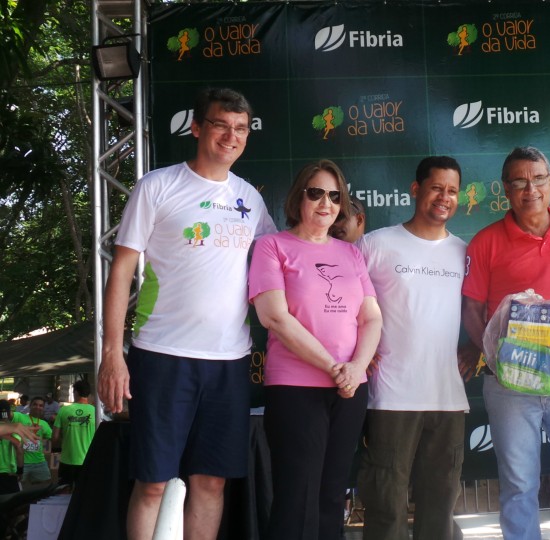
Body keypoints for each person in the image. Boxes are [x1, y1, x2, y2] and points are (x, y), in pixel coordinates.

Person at [98, 87, 277, 540]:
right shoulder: (156, 185)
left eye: (240, 128)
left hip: (229, 361)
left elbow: (279, 265)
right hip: (161, 355)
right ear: (197, 127)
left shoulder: (250, 200)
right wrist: (112, 354)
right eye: (220, 124)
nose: (231, 136)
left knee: (211, 481)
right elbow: (121, 270)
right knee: (154, 483)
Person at [461, 146, 550, 539]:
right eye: (520, 182)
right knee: (518, 488)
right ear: (505, 189)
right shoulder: (485, 241)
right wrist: (497, 356)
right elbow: (472, 311)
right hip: (510, 384)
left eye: (539, 179)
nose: (531, 189)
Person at [249, 159, 383, 539]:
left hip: (349, 389)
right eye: (316, 193)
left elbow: (371, 318)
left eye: (335, 195)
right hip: (295, 390)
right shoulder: (271, 246)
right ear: (299, 197)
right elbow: (274, 317)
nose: (326, 203)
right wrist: (333, 366)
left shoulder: (351, 254)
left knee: (331, 494)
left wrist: (355, 368)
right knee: (296, 497)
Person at [356, 156, 468, 540]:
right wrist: (358, 352)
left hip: (448, 398)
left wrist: (475, 350)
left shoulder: (464, 252)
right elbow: (346, 304)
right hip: (391, 397)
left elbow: (479, 310)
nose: (444, 197)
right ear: (416, 189)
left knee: (440, 505)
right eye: (436, 187)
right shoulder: (376, 244)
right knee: (385, 505)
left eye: (452, 191)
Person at [53, 379, 96, 485]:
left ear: (75, 392)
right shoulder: (96, 411)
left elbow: (55, 437)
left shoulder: (63, 410)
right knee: (85, 494)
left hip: (67, 460)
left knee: (63, 493)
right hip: (89, 461)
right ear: (88, 394)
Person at [0, 401, 38, 495]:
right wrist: (20, 470)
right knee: (12, 505)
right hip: (8, 473)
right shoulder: (12, 429)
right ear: (9, 414)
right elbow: (19, 449)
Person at [15, 397, 53, 490]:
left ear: (43, 408)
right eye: (35, 404)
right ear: (30, 406)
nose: (38, 407)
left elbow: (53, 438)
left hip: (39, 461)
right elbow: (9, 415)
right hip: (21, 462)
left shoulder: (44, 424)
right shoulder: (20, 417)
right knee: (17, 489)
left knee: (43, 490)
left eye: (41, 405)